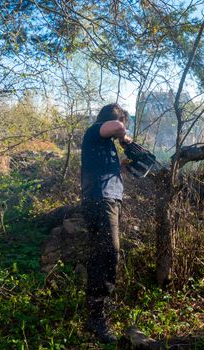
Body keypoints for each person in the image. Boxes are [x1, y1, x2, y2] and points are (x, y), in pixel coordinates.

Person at [80, 103, 132, 343]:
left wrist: (121, 167)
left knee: (102, 254)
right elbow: (117, 126)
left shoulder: (103, 145)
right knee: (110, 252)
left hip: (107, 201)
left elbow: (106, 171)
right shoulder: (95, 131)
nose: (121, 129)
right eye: (122, 123)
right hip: (100, 201)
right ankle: (96, 317)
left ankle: (95, 313)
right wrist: (124, 137)